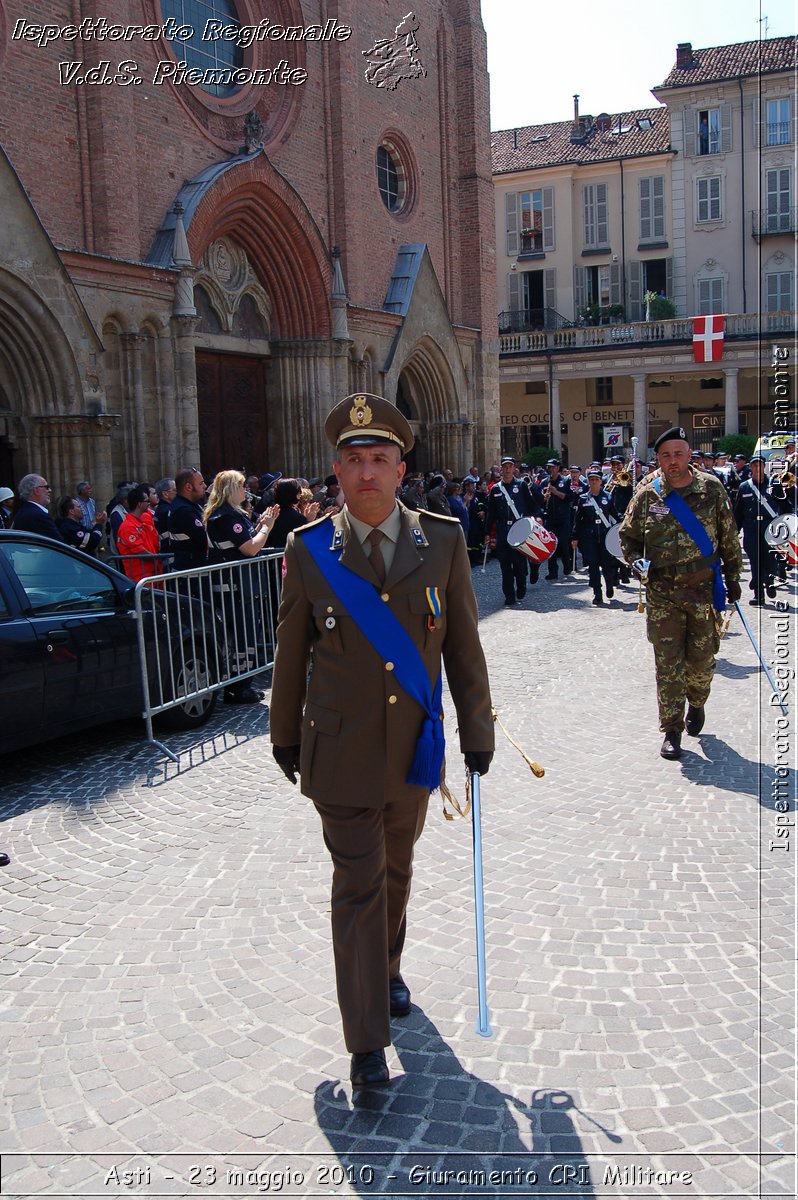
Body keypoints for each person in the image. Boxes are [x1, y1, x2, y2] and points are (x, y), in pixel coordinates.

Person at [269, 393, 494, 1089]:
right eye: (352, 460)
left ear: (402, 468)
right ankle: (365, 1043)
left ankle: (389, 968)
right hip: (337, 750)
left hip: (411, 752)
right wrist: (284, 735)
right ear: (335, 470)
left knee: (395, 874)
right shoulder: (309, 550)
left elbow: (463, 647)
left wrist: (476, 730)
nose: (366, 473)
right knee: (358, 886)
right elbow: (290, 651)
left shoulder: (444, 541)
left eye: (379, 459)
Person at [619, 427, 743, 761]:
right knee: (668, 664)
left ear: (690, 455)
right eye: (665, 455)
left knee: (701, 662)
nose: (672, 461)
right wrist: (636, 562)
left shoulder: (711, 489)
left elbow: (728, 536)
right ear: (657, 459)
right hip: (663, 592)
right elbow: (627, 536)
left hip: (702, 589)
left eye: (678, 454)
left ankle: (698, 701)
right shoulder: (648, 493)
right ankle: (671, 729)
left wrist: (733, 577)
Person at [204, 470, 277, 704]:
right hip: (234, 586)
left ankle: (242, 683)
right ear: (230, 489)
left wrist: (261, 525)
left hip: (240, 583)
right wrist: (266, 527)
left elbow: (244, 541)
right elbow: (249, 548)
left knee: (245, 633)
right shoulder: (225, 516)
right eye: (241, 486)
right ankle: (238, 686)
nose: (245, 490)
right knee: (241, 635)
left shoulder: (231, 514)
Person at [485, 456, 544, 605]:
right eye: (504, 466)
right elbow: (491, 513)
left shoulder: (521, 485)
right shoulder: (495, 489)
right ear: (501, 468)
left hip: (519, 529)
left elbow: (532, 505)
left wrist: (537, 517)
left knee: (518, 563)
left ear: (513, 468)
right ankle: (509, 595)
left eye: (510, 466)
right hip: (503, 529)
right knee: (505, 564)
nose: (507, 469)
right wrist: (486, 533)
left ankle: (521, 584)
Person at [733, 456, 781, 605]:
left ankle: (770, 580)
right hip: (751, 528)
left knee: (770, 560)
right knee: (755, 561)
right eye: (754, 466)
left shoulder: (774, 485)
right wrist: (734, 531)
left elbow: (784, 506)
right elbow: (738, 512)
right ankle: (758, 595)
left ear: (764, 466)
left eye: (759, 465)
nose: (757, 469)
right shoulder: (745, 487)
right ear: (750, 467)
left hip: (770, 528)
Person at [571, 470, 620, 606]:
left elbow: (615, 516)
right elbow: (578, 520)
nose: (593, 482)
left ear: (601, 482)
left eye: (596, 480)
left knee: (607, 565)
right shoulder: (583, 498)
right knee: (593, 566)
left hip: (604, 536)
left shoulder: (608, 497)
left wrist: (622, 527)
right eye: (591, 479)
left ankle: (609, 585)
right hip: (589, 537)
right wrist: (574, 537)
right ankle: (597, 593)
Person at [116, 485, 162, 583]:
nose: (149, 504)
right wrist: (158, 558)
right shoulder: (128, 527)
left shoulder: (140, 523)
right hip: (141, 577)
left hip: (151, 574)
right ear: (140, 504)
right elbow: (140, 551)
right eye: (147, 501)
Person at [541, 458, 576, 579]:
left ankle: (567, 566)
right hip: (550, 517)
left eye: (553, 467)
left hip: (563, 517)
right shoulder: (545, 481)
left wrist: (556, 492)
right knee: (551, 545)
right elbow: (540, 501)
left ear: (557, 468)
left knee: (564, 543)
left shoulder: (565, 481)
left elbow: (570, 498)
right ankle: (552, 571)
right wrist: (544, 498)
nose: (551, 469)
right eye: (549, 467)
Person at [168, 468, 208, 571]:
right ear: (188, 487)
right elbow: (204, 536)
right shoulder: (183, 510)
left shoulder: (190, 505)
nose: (205, 486)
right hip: (190, 573)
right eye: (201, 483)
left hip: (194, 569)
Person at [12, 474, 64, 540]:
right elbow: (59, 544)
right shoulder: (38, 515)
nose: (50, 490)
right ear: (36, 490)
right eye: (46, 487)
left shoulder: (23, 511)